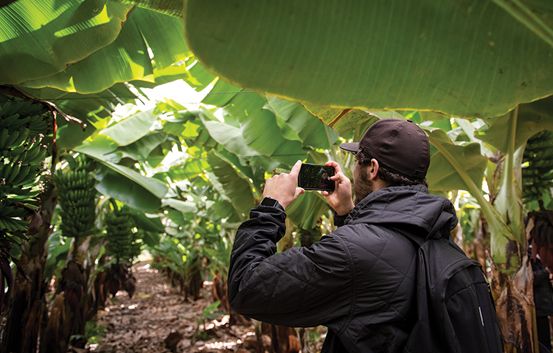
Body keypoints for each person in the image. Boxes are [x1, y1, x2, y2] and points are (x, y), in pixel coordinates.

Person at [227, 118, 458, 352]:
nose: (354, 170)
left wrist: (270, 207)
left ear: (373, 169)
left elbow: (246, 288)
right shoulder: (439, 234)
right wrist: (347, 213)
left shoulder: (350, 252)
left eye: (358, 161)